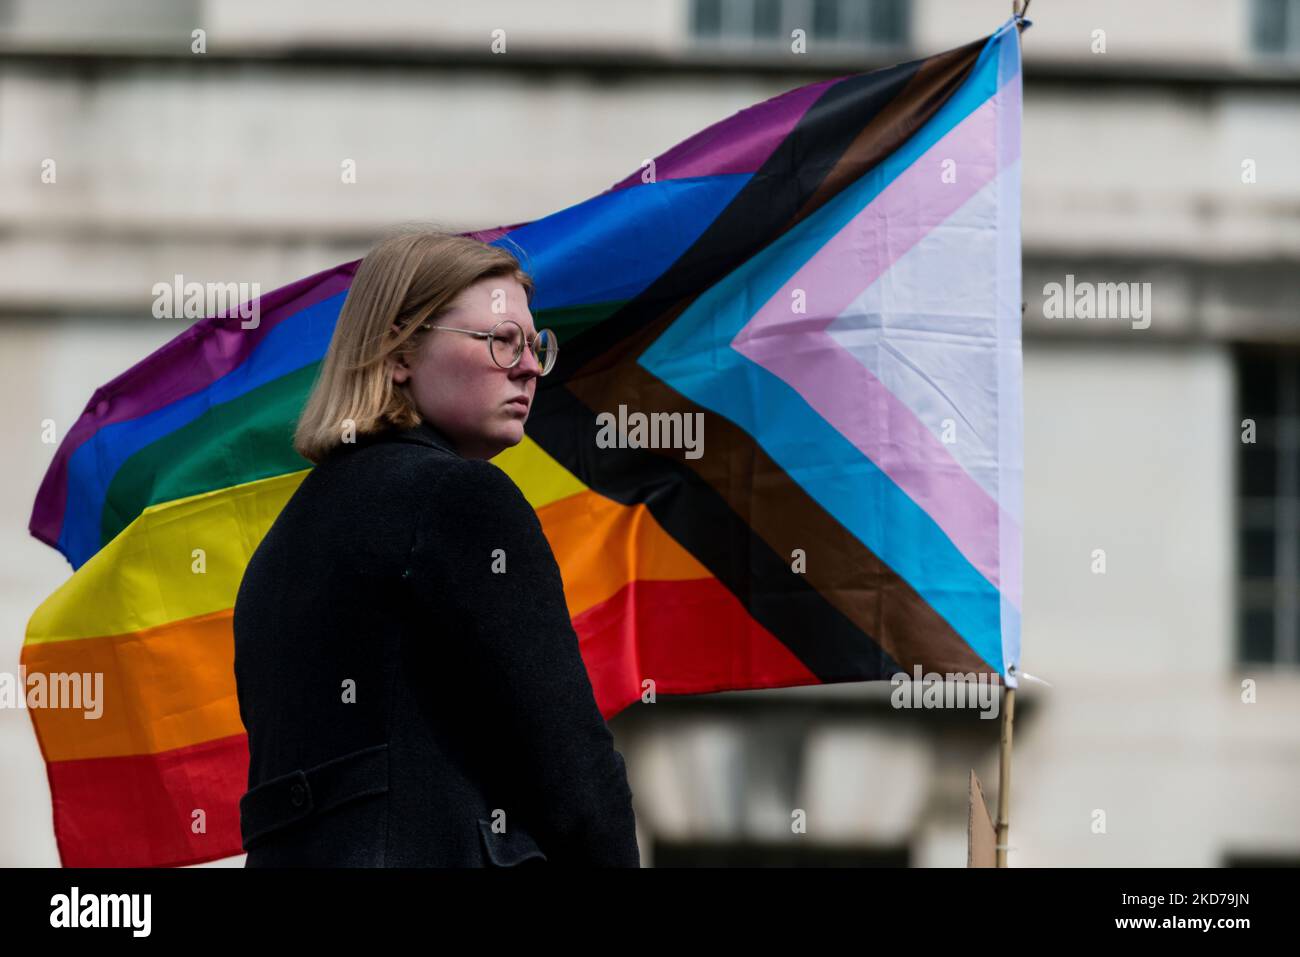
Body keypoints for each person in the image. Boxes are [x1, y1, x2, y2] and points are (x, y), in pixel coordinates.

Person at [232, 230, 640, 867]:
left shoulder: (279, 545)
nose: (530, 366)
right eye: (501, 341)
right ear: (399, 352)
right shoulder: (460, 499)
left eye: (535, 346)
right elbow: (574, 771)